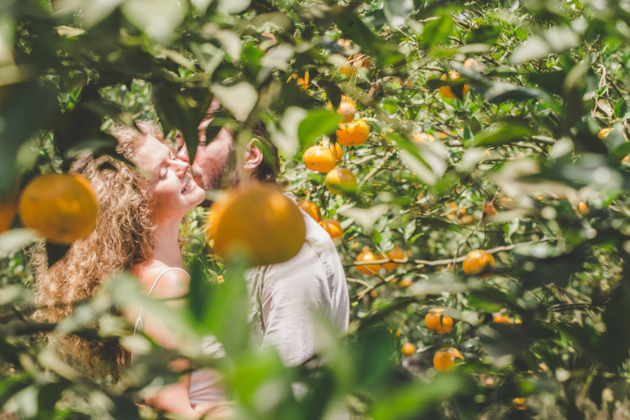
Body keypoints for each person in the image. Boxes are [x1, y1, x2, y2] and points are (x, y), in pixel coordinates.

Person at [32, 121, 227, 418]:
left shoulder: (142, 278)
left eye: (173, 155)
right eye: (163, 171)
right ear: (135, 203)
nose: (182, 166)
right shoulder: (168, 284)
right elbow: (168, 404)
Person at [176, 101, 350, 369]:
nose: (181, 157)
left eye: (198, 140)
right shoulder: (239, 240)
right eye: (179, 142)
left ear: (251, 156)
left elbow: (284, 390)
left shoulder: (291, 251)